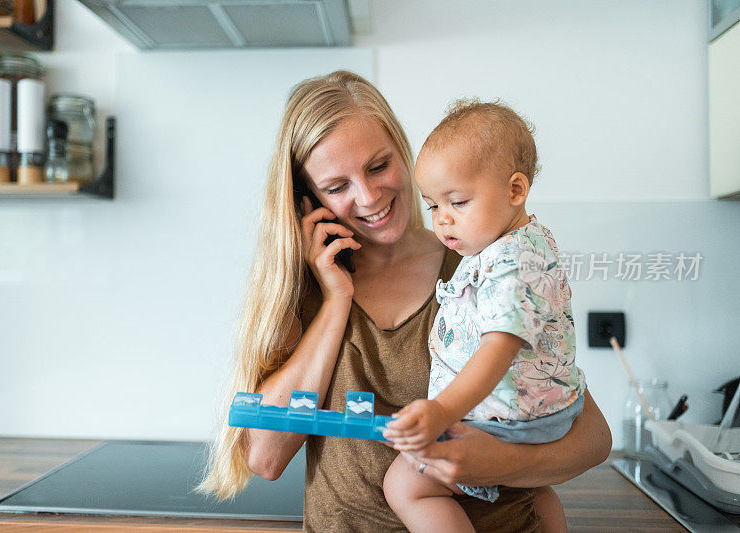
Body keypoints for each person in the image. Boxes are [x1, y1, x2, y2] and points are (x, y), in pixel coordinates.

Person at [197, 70, 611, 533]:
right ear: (308, 198)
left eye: (378, 166)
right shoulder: (307, 292)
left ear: (403, 150)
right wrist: (336, 302)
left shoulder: (476, 261)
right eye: (337, 187)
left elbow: (593, 438)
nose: (369, 196)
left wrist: (498, 462)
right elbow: (266, 458)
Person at [382, 99, 585, 533]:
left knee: (406, 484)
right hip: (538, 413)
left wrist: (441, 411)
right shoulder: (517, 243)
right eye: (433, 206)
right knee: (532, 490)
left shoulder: (512, 262)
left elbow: (498, 349)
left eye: (457, 201)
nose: (443, 220)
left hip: (512, 420)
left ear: (516, 190)